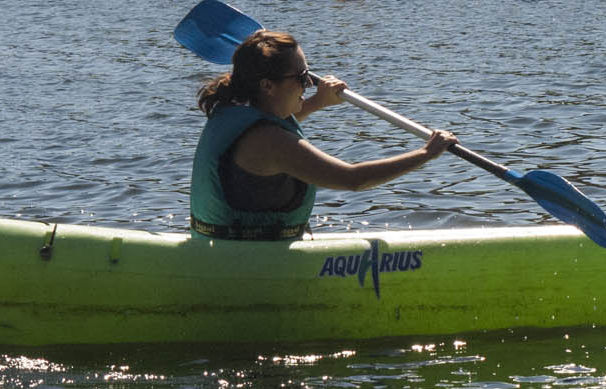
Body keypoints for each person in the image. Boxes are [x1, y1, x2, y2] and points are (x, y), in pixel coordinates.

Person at [190, 28, 457, 240]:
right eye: (301, 76)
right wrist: (426, 153)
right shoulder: (270, 142)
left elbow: (277, 122)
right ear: (268, 86)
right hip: (250, 263)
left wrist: (320, 101)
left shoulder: (234, 109)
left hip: (225, 249)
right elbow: (351, 178)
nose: (308, 83)